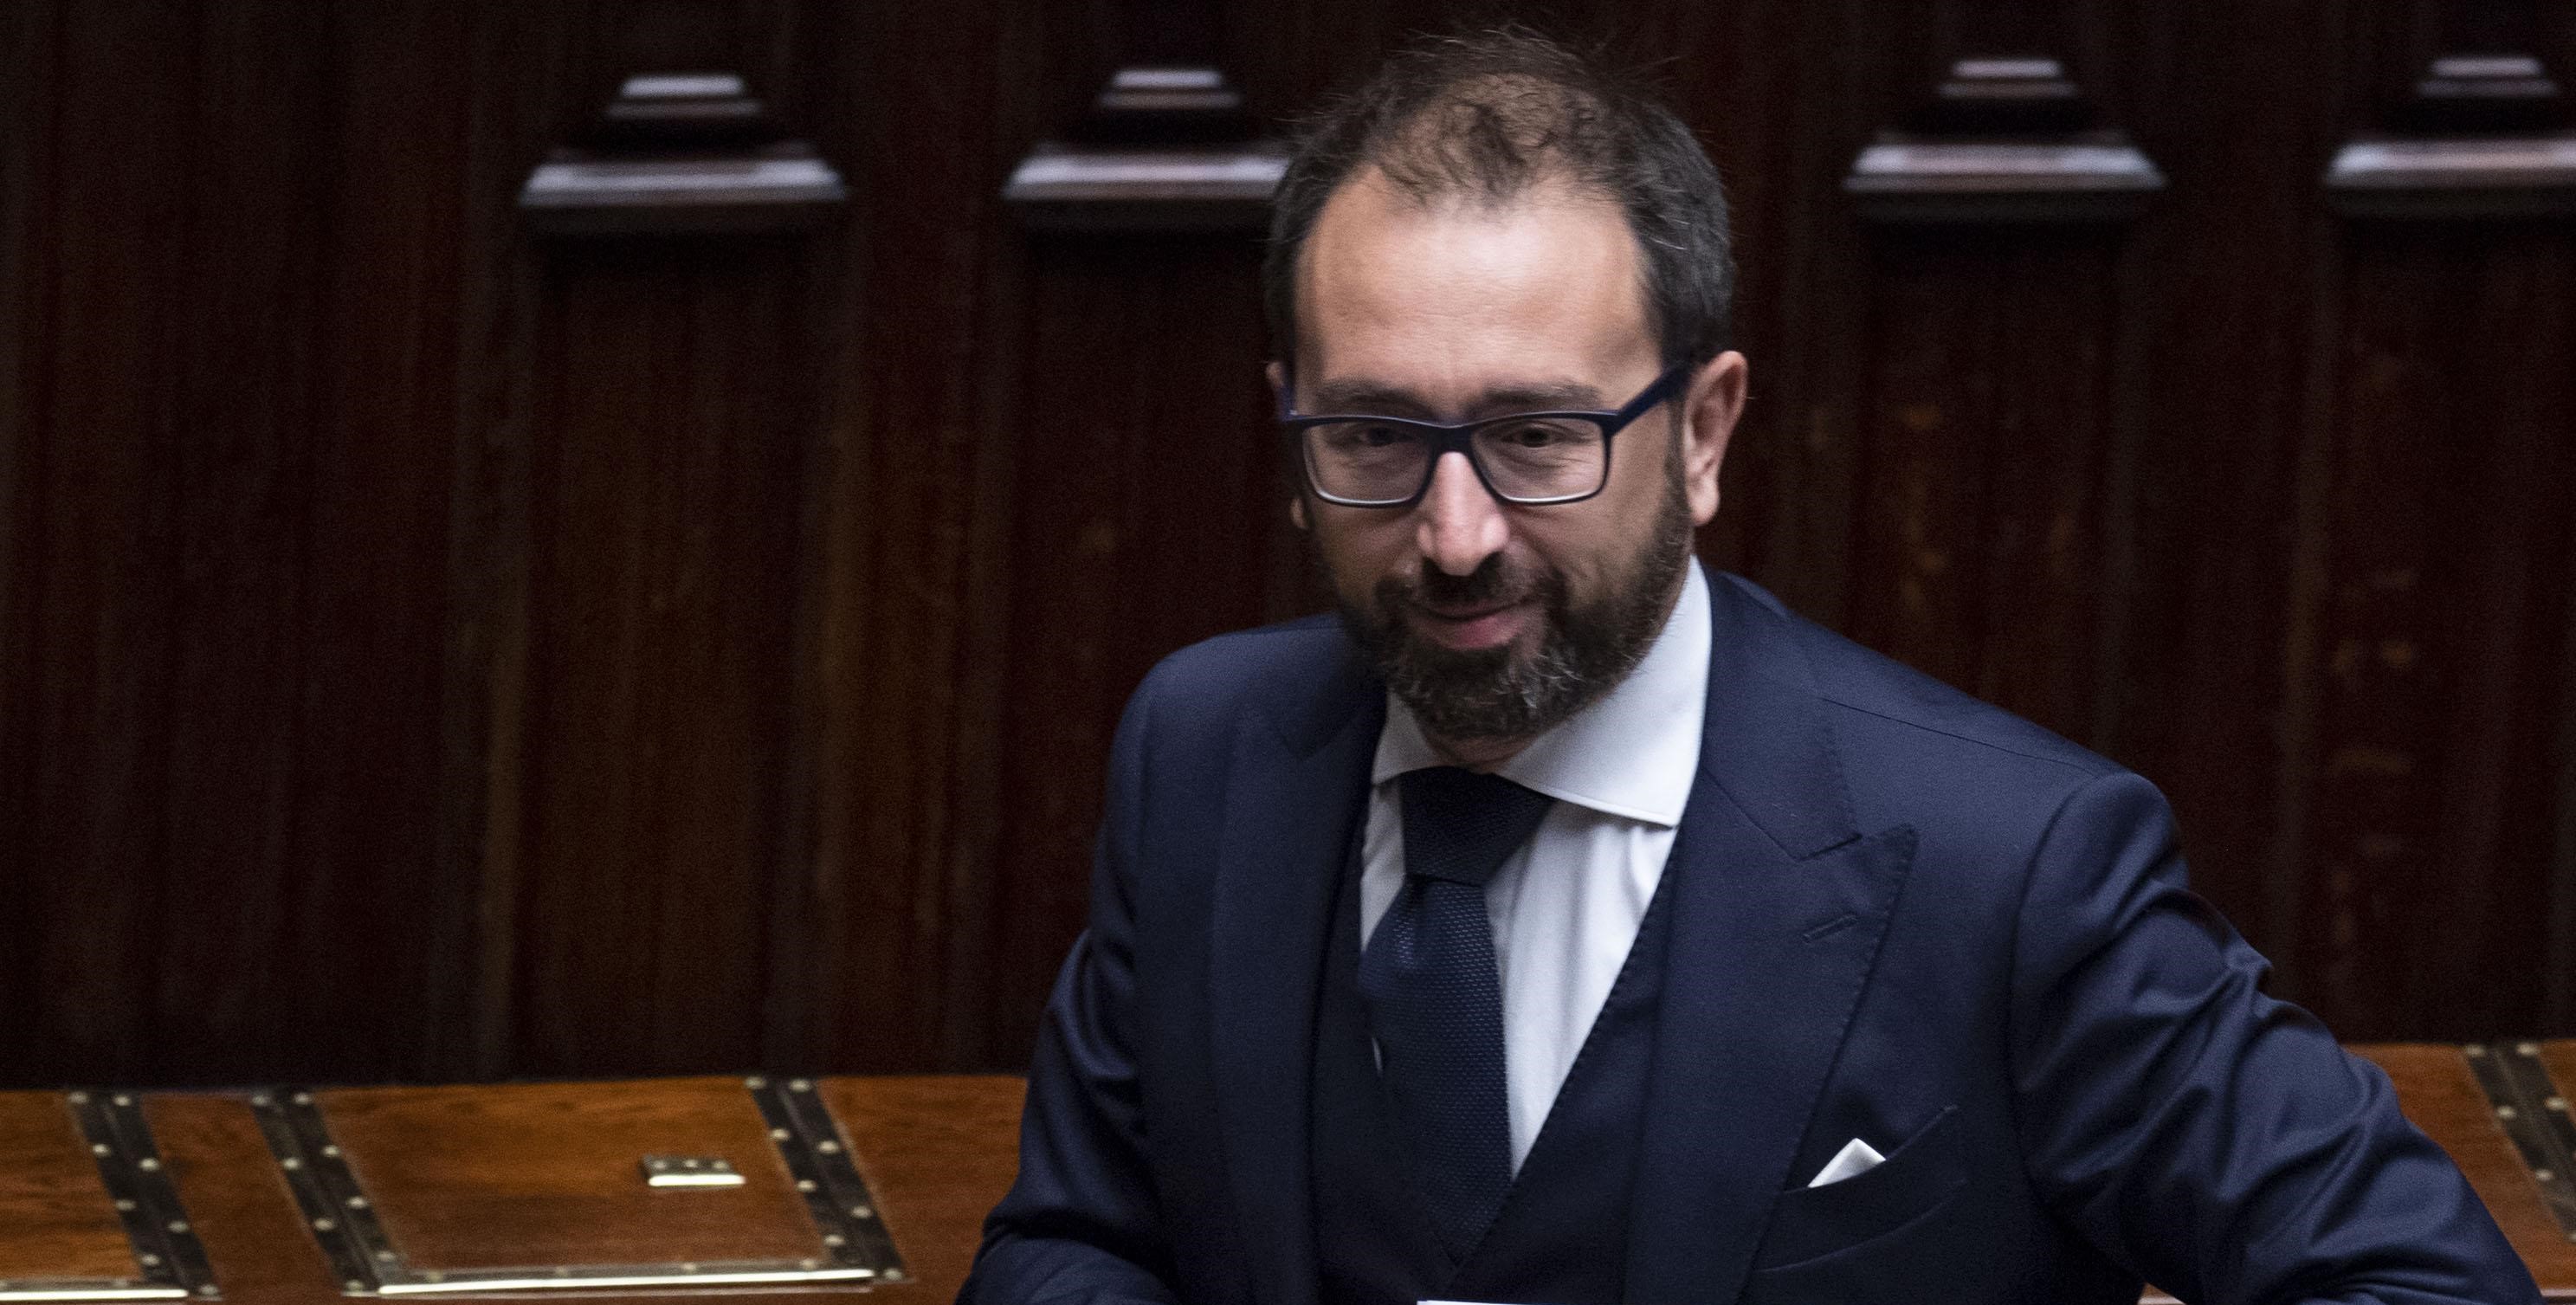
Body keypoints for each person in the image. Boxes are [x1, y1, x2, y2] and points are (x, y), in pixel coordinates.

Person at [961, 26, 2536, 1305]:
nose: (1453, 533)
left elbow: (2416, 1284)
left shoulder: (2016, 872)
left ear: (1702, 433)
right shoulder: (1204, 749)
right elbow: (1078, 1245)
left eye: (1536, 437)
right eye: (1374, 436)